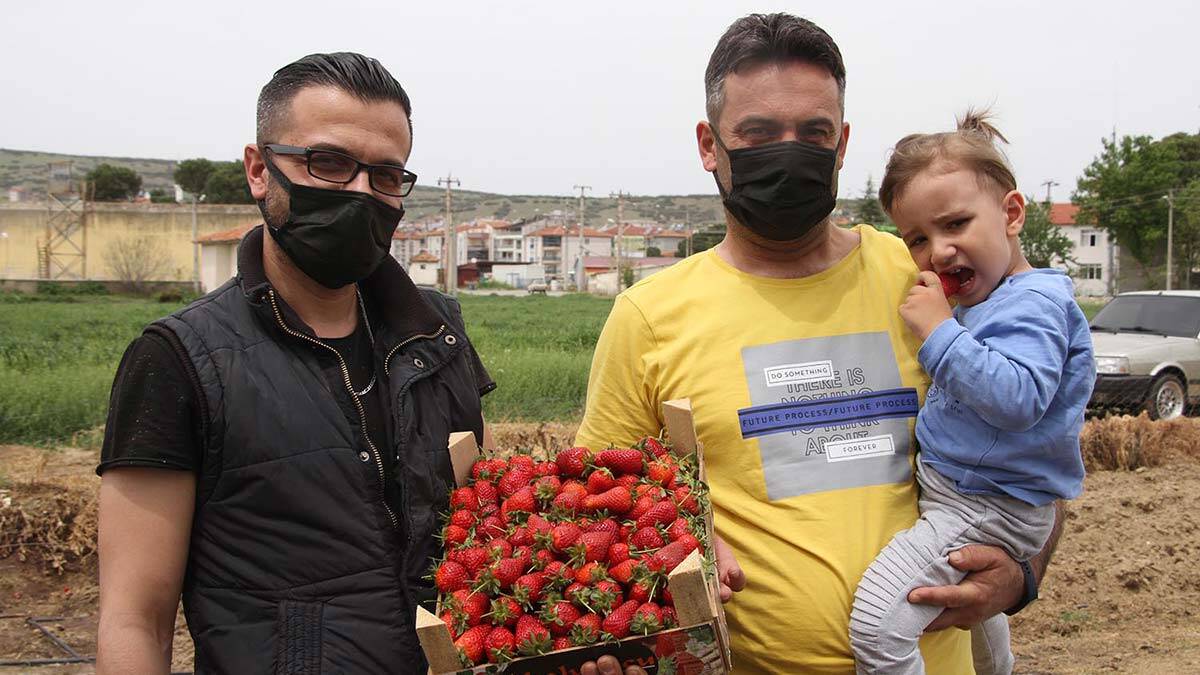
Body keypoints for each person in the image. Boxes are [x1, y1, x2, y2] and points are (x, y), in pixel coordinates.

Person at [575, 14, 1062, 674]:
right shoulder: (649, 317)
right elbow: (597, 505)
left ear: (842, 143)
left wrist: (1023, 574)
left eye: (813, 133)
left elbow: (1039, 441)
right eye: (758, 133)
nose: (789, 152)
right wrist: (674, 541)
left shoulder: (922, 277)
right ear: (709, 145)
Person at [94, 53, 497, 673]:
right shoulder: (179, 359)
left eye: (386, 175)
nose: (360, 193)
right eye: (329, 163)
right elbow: (135, 620)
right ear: (260, 171)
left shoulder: (436, 334)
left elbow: (481, 529)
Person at [848, 112, 1093, 675]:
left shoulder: (1033, 305)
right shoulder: (989, 301)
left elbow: (1018, 399)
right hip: (971, 498)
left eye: (956, 223)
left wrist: (938, 332)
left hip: (982, 506)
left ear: (1012, 213)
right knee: (977, 625)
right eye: (918, 239)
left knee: (876, 625)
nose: (939, 251)